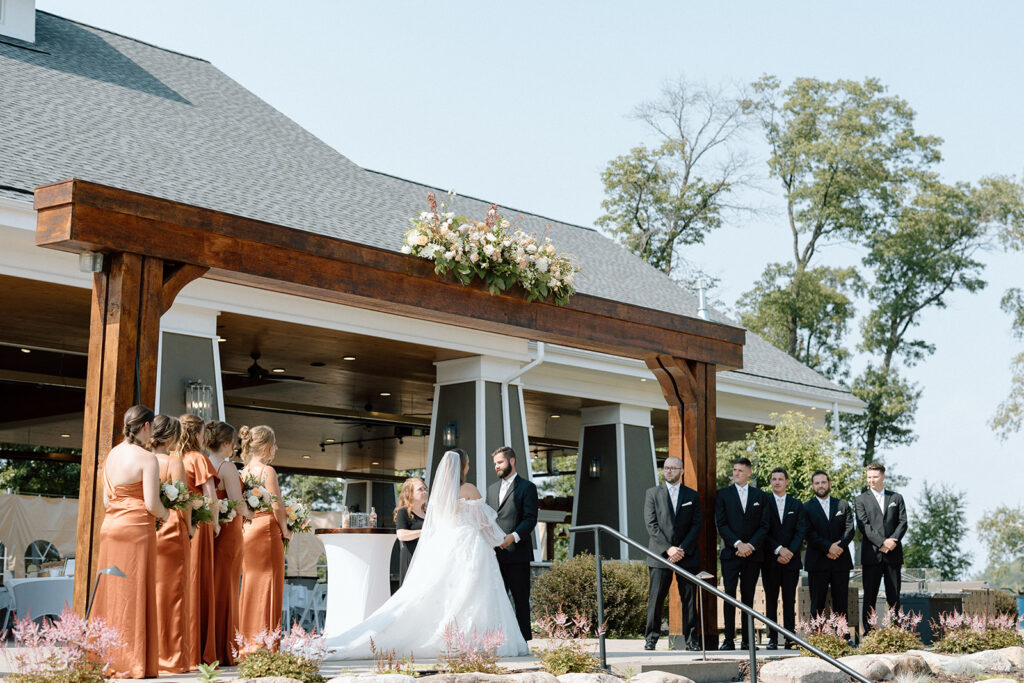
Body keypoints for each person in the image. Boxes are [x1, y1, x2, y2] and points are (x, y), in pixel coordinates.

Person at [323, 449, 529, 660]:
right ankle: (473, 638)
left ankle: (453, 636)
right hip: (470, 545)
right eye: (467, 464)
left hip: (449, 546)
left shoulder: (439, 496)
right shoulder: (468, 489)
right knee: (475, 591)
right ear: (463, 467)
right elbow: (485, 524)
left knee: (452, 593)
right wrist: (501, 539)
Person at [91, 405, 169, 679]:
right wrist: (167, 513)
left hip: (110, 528)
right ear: (146, 426)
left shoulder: (111, 455)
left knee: (113, 592)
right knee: (135, 591)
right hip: (136, 530)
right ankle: (133, 660)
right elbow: (152, 503)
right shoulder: (147, 458)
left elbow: (105, 500)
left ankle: (107, 656)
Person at [238, 425, 290, 646]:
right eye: (274, 444)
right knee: (269, 585)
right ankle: (264, 644)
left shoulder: (244, 471)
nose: (276, 448)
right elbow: (277, 506)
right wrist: (286, 529)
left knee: (250, 584)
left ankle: (248, 640)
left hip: (248, 530)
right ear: (267, 446)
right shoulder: (267, 472)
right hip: (267, 531)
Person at [642, 456, 701, 651]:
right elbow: (651, 525)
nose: (668, 471)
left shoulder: (692, 495)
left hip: (687, 555)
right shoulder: (652, 493)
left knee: (690, 600)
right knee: (656, 598)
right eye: (666, 468)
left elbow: (696, 525)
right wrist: (668, 549)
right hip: (660, 555)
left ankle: (692, 640)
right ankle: (651, 639)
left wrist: (681, 549)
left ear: (681, 471)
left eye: (673, 468)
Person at [150, 414, 192, 674]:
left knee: (149, 593)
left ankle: (150, 652)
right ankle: (172, 657)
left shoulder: (141, 459)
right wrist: (189, 527)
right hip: (171, 529)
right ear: (173, 437)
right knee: (174, 595)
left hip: (146, 529)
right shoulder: (173, 462)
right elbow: (184, 501)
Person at [207, 420, 251, 665]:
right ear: (225, 443)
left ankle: (211, 641)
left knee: (213, 586)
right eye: (233, 443)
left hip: (211, 532)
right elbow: (238, 503)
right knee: (227, 587)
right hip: (229, 533)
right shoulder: (226, 467)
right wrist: (255, 511)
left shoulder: (203, 463)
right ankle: (225, 647)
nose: (234, 448)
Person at [485, 445, 539, 642]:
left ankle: (524, 641)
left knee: (520, 599)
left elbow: (530, 519)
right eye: (495, 464)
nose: (497, 467)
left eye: (500, 462)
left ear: (512, 461)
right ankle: (499, 640)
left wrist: (513, 536)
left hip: (517, 553)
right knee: (496, 600)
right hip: (495, 554)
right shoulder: (491, 489)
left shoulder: (528, 488)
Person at [715, 456, 769, 650]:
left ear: (749, 472)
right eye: (734, 470)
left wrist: (750, 546)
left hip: (753, 556)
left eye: (739, 470)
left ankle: (747, 640)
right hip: (730, 554)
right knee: (729, 595)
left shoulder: (760, 496)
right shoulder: (722, 494)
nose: (735, 473)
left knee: (748, 596)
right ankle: (728, 639)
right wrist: (738, 544)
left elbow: (764, 526)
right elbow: (721, 524)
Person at [178, 414, 219, 667]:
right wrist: (215, 523)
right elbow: (210, 495)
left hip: (180, 523)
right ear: (197, 434)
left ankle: (184, 646)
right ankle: (199, 648)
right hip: (200, 524)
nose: (205, 437)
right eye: (203, 432)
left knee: (183, 583)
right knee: (199, 582)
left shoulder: (177, 459)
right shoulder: (198, 458)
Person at [854, 462, 908, 634]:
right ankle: (869, 633)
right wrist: (882, 543)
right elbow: (864, 526)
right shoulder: (860, 500)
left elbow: (903, 522)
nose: (872, 480)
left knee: (894, 595)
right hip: (872, 555)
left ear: (883, 477)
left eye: (875, 477)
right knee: (869, 595)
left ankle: (897, 632)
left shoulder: (896, 498)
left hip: (893, 554)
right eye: (869, 477)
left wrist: (892, 541)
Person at [803, 470, 854, 631]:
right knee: (817, 603)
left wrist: (839, 547)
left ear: (829, 484)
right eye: (817, 483)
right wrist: (828, 547)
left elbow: (850, 529)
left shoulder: (842, 505)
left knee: (841, 602)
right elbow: (808, 532)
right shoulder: (806, 507)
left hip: (840, 561)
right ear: (812, 486)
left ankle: (843, 637)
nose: (820, 486)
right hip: (817, 562)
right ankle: (817, 638)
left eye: (823, 482)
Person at [762, 467, 806, 650]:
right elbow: (763, 529)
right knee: (771, 600)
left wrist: (789, 552)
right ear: (770, 481)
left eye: (780, 479)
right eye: (774, 479)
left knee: (789, 600)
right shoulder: (764, 502)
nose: (777, 482)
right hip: (770, 560)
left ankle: (789, 637)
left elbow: (800, 531)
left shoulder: (797, 505)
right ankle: (772, 637)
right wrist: (779, 549)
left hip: (791, 561)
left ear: (787, 481)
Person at [394, 477, 428, 586]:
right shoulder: (403, 512)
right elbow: (401, 535)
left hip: (426, 556)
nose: (424, 492)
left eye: (425, 489)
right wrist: (423, 532)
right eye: (420, 489)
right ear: (410, 493)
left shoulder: (428, 513)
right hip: (411, 556)